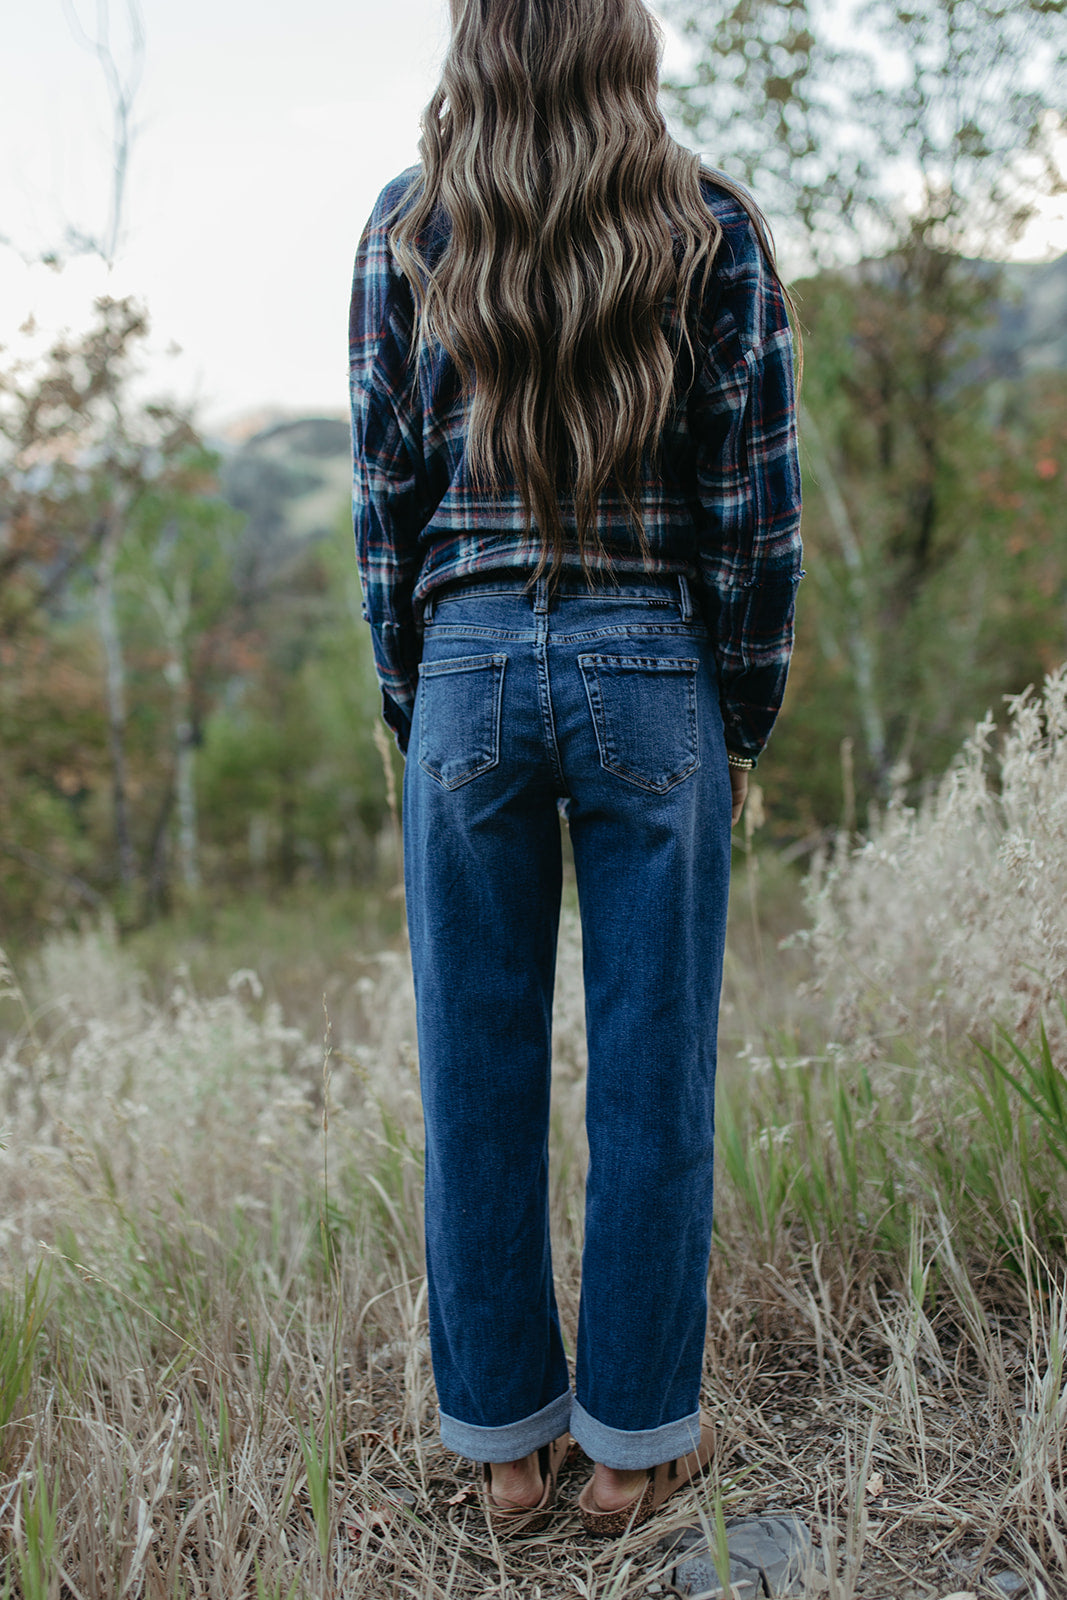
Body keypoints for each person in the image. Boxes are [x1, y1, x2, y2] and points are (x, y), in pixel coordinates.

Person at [349, 0, 802, 1539]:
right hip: (648, 655)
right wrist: (740, 717)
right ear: (629, 43)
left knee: (473, 1079)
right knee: (653, 1071)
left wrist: (423, 709)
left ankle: (502, 1454)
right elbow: (758, 512)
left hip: (469, 652)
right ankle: (629, 1450)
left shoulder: (407, 228)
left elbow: (383, 502)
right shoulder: (713, 225)